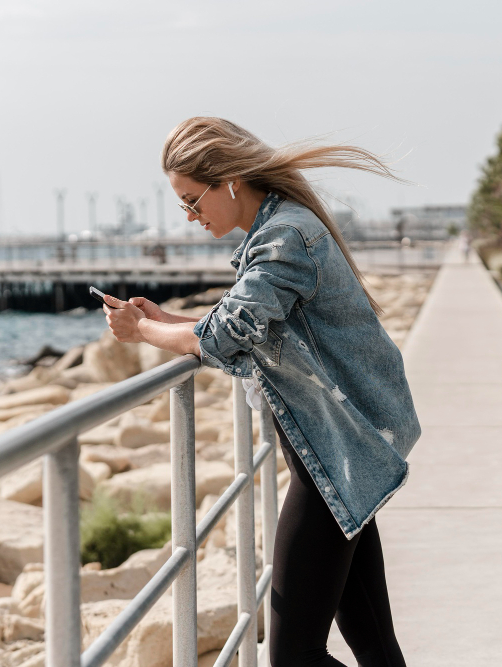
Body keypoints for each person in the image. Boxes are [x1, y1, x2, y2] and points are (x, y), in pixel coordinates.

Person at [103, 117, 419, 667]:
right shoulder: (278, 229)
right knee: (372, 644)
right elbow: (259, 334)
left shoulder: (284, 236)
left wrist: (144, 332)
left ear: (227, 180)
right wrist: (172, 320)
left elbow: (227, 338)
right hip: (342, 455)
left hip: (336, 458)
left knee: (293, 656)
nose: (190, 217)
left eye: (191, 201)